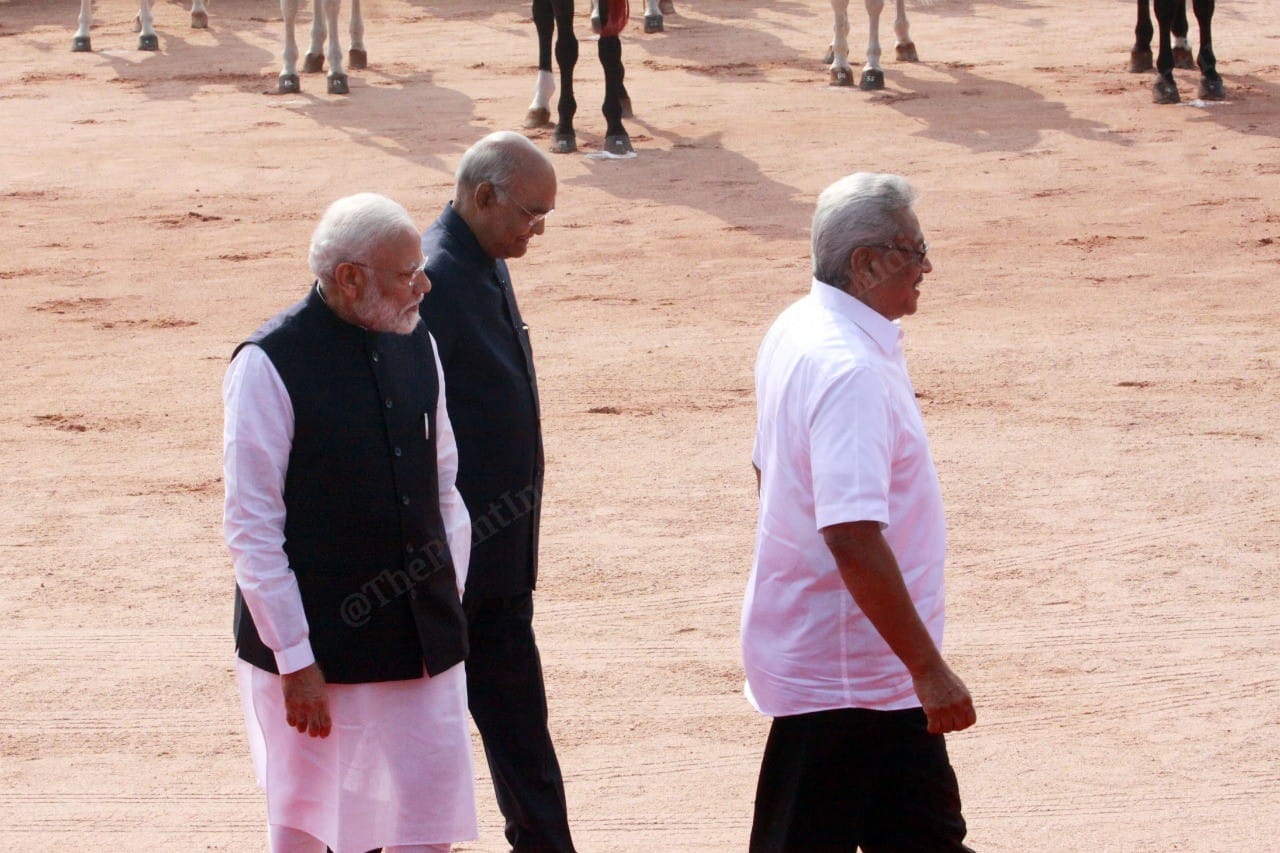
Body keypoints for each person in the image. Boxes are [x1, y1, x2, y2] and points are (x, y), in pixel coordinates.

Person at [224, 193, 477, 853]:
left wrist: (450, 596)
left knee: (426, 823)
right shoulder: (267, 363)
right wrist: (295, 659)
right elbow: (252, 528)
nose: (424, 284)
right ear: (350, 277)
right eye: (406, 273)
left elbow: (443, 480)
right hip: (317, 658)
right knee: (311, 827)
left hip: (419, 643)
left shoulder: (417, 336)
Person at [742, 172, 977, 852]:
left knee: (924, 836)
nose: (927, 264)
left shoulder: (800, 327)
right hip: (852, 670)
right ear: (866, 262)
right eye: (914, 248)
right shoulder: (851, 371)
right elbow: (850, 535)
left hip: (858, 658)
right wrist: (927, 666)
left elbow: (767, 470)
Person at [417, 131, 575, 853]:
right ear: (483, 197)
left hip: (498, 567)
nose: (538, 229)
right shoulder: (431, 278)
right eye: (531, 214)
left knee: (519, 731)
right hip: (452, 575)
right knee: (431, 743)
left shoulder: (482, 257)